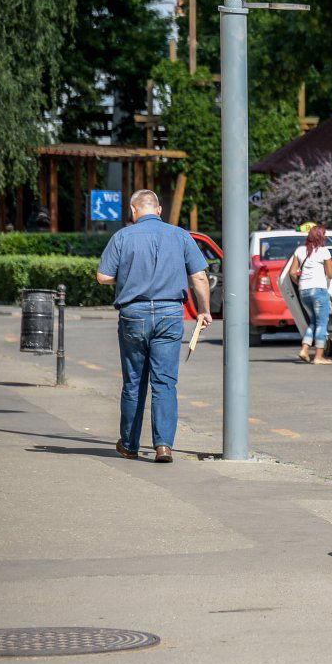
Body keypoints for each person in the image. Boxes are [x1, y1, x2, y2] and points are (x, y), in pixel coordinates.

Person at [96, 190, 211, 463]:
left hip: (133, 314)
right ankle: (163, 446)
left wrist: (129, 278)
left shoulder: (122, 236)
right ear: (158, 209)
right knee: (165, 382)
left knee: (134, 382)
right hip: (171, 313)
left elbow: (103, 277)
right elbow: (199, 277)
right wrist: (204, 310)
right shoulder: (181, 235)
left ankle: (130, 444)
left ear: (133, 211)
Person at [288, 225, 332, 364]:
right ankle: (319, 357)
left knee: (313, 322)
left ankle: (304, 350)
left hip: (304, 291)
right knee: (322, 323)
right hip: (319, 291)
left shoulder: (299, 250)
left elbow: (292, 272)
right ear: (321, 237)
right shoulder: (323, 251)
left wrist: (301, 284)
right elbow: (330, 274)